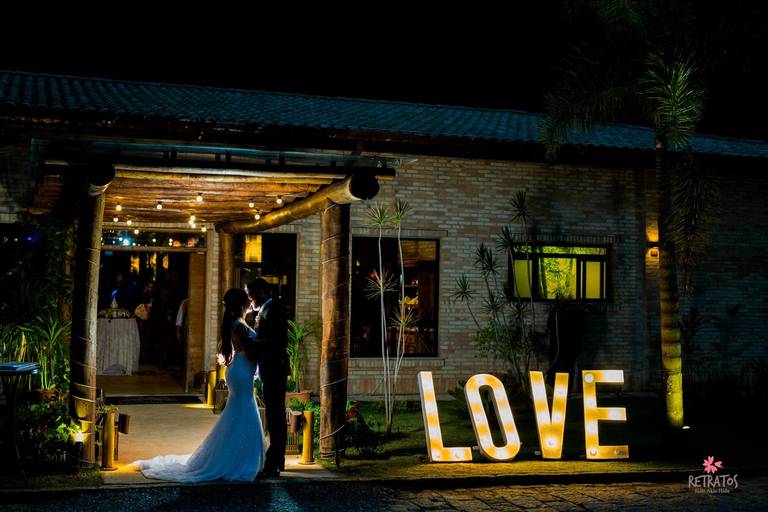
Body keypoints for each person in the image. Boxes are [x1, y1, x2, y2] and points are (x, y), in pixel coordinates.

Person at [129, 288, 266, 482]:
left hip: (241, 370)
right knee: (245, 411)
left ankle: (240, 457)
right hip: (242, 371)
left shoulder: (237, 323)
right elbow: (251, 350)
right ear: (240, 305)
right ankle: (242, 462)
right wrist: (266, 346)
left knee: (239, 412)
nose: (249, 304)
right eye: (246, 301)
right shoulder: (238, 325)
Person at [247, 278, 289, 478]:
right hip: (268, 368)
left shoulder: (274, 309)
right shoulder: (265, 309)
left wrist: (251, 344)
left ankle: (275, 462)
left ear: (262, 292)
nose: (249, 298)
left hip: (275, 368)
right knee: (273, 415)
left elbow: (277, 341)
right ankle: (275, 460)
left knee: (276, 416)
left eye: (251, 294)